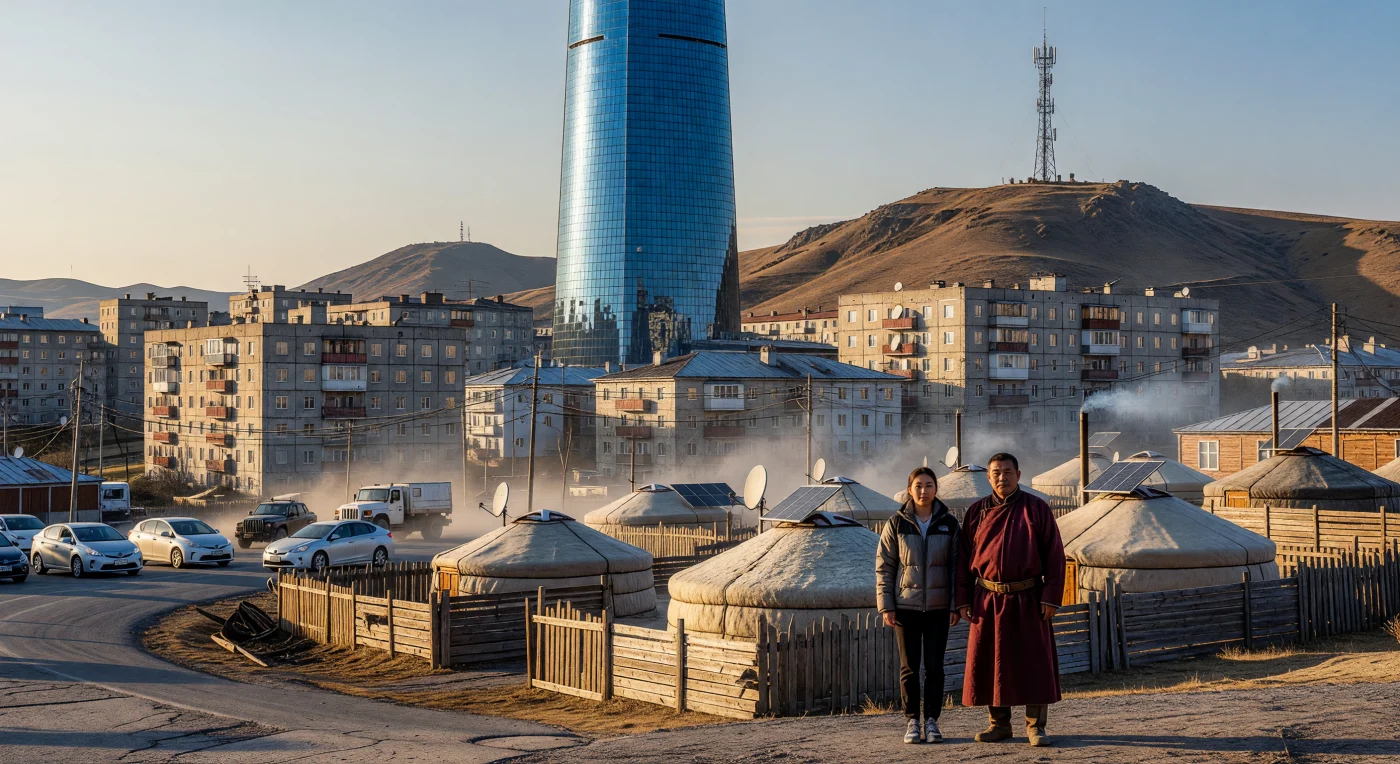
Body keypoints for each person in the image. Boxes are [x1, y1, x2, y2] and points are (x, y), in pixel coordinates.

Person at [955, 452, 1065, 747]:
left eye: (1007, 471)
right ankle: (999, 724)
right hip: (988, 599)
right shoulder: (977, 511)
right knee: (993, 663)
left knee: (1034, 662)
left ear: (1019, 474)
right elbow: (964, 558)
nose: (1002, 477)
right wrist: (963, 599)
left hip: (1028, 598)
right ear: (988, 477)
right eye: (996, 472)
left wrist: (1051, 597)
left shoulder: (1037, 509)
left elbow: (1055, 556)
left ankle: (1035, 727)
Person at [876, 466, 960, 744]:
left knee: (935, 667)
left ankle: (932, 721)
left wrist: (954, 605)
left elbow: (956, 568)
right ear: (909, 489)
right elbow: (885, 568)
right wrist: (886, 605)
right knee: (909, 667)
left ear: (937, 489)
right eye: (918, 486)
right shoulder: (896, 523)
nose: (924, 491)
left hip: (938, 607)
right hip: (906, 607)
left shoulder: (948, 523)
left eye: (929, 485)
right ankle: (912, 721)